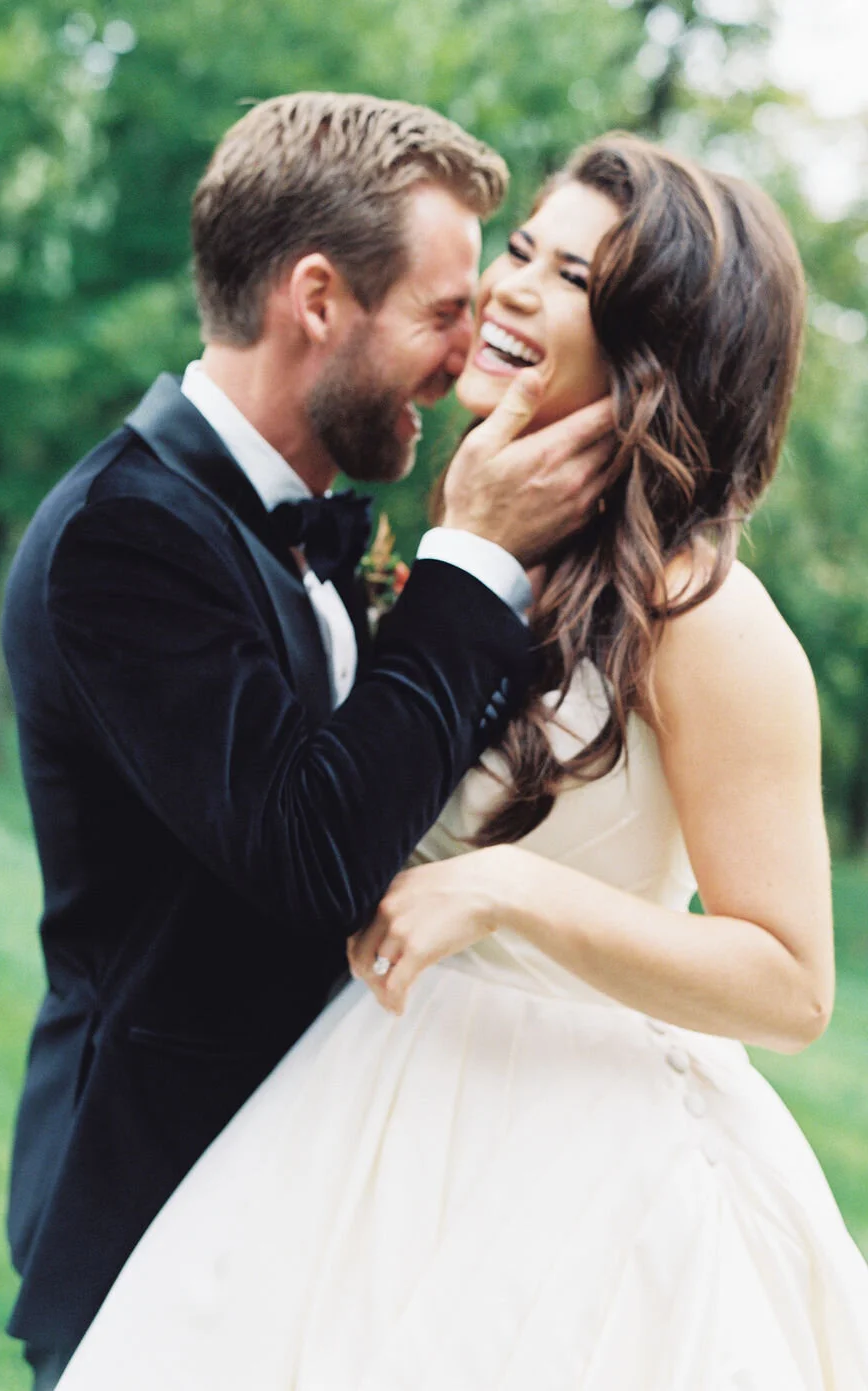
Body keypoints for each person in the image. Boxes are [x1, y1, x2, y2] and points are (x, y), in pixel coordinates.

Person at [55, 134, 868, 1389]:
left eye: (572, 279)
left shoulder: (702, 611)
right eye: (522, 251)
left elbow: (792, 981)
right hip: (372, 1091)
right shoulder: (489, 543)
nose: (508, 288)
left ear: (656, 346)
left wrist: (509, 888)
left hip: (577, 1148)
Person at [1, 93, 615, 1388]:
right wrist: (475, 555)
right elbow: (314, 848)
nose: (468, 356)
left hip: (322, 1187)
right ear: (320, 299)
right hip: (160, 1203)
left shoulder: (310, 518)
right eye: (443, 313)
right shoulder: (125, 537)